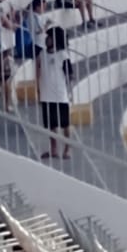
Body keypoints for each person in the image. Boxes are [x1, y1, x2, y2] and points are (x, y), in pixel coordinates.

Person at [37, 25, 75, 161]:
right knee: (51, 124)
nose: (47, 39)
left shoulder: (63, 55)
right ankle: (53, 148)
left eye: (50, 37)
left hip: (60, 94)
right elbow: (38, 71)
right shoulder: (42, 54)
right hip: (46, 94)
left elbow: (69, 74)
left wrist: (70, 92)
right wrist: (38, 89)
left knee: (65, 123)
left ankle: (68, 147)